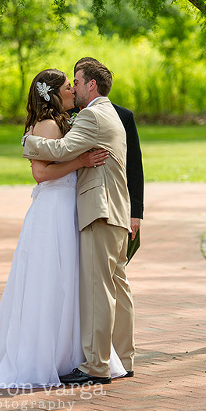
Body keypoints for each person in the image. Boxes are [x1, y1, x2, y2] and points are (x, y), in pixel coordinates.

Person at [0, 69, 126, 388]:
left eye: (75, 84)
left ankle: (72, 355)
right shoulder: (47, 125)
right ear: (54, 93)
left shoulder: (64, 122)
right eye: (68, 87)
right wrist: (81, 162)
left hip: (70, 207)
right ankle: (48, 357)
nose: (73, 90)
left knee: (73, 283)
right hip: (53, 209)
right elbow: (41, 173)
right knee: (52, 281)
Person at [23, 60, 135, 385]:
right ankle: (123, 358)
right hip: (115, 210)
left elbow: (61, 149)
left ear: (91, 86)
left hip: (100, 210)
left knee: (99, 289)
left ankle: (97, 366)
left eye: (77, 81)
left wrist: (27, 142)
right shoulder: (111, 113)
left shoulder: (92, 115)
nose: (73, 86)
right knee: (117, 286)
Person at [73, 57, 144, 260]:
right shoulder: (66, 114)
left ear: (92, 82)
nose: (74, 87)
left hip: (107, 204)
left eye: (78, 81)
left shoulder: (123, 116)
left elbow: (133, 165)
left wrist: (135, 212)